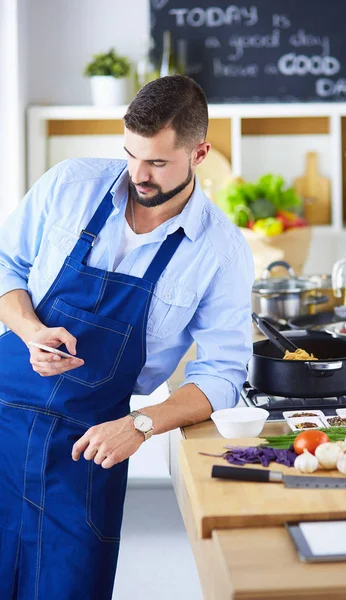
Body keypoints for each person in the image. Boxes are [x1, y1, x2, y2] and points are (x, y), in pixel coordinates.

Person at [0, 74, 254, 599]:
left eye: (158, 162)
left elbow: (224, 373)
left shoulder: (220, 251)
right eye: (131, 154)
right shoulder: (70, 185)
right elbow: (7, 265)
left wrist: (141, 424)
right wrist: (30, 331)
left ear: (199, 151)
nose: (138, 174)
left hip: (89, 450)